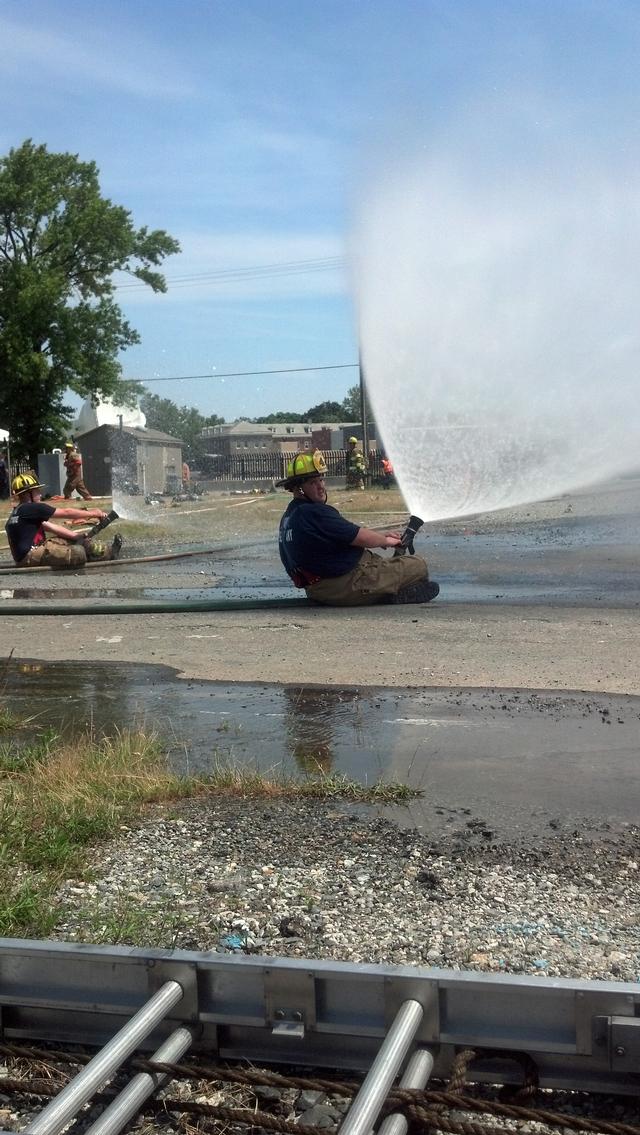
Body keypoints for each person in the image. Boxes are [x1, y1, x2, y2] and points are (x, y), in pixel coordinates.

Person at [278, 451, 439, 606]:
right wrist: (386, 540)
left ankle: (388, 590)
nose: (320, 486)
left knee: (387, 564)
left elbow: (343, 535)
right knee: (418, 565)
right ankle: (389, 594)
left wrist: (381, 537)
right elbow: (359, 536)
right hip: (343, 586)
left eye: (321, 480)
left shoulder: (290, 515)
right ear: (298, 488)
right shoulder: (313, 512)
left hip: (320, 588)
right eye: (313, 482)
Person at [6, 473, 122, 568]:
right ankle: (104, 555)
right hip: (31, 556)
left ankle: (109, 552)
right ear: (28, 494)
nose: (40, 494)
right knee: (77, 553)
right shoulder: (32, 508)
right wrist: (94, 513)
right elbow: (66, 513)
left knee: (77, 542)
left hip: (32, 553)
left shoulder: (20, 511)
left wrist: (76, 536)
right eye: (37, 491)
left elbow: (52, 527)